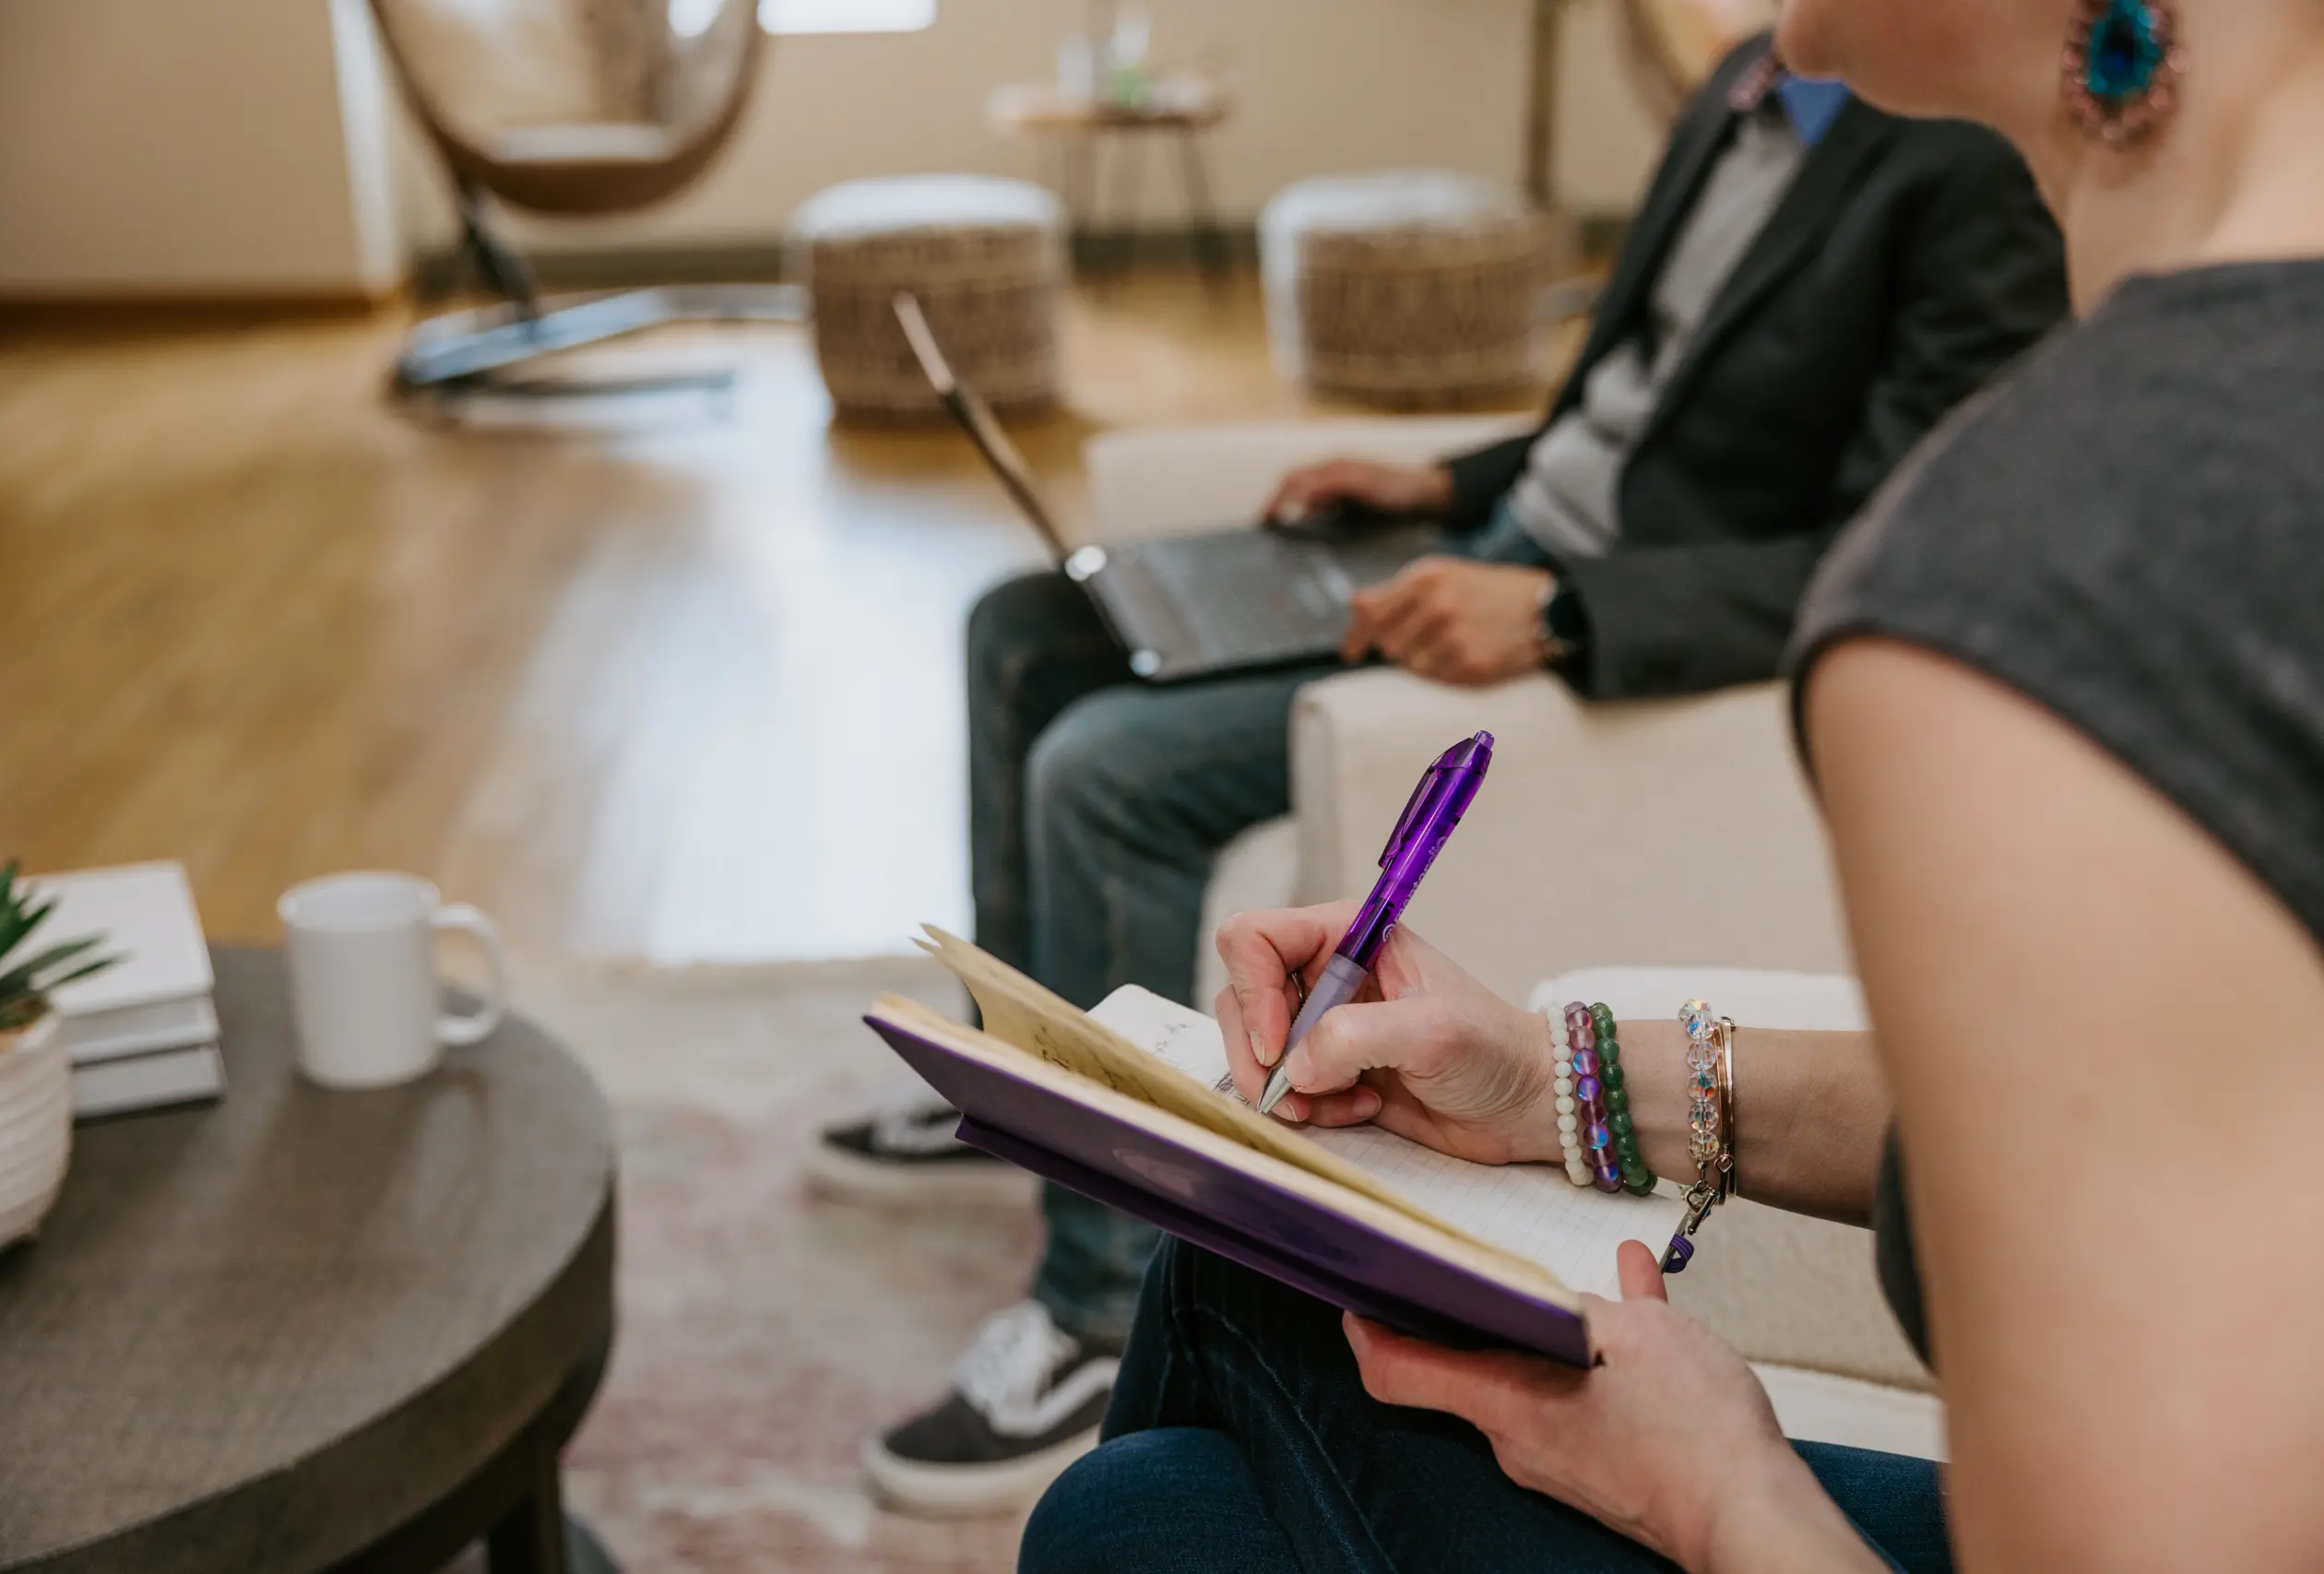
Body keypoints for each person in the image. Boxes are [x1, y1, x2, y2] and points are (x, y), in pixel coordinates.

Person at [1018, 0, 2324, 1566]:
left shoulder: (2042, 576)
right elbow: (2173, 1111)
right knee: (1152, 1504)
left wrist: (1716, 1487)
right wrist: (1554, 1079)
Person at [832, 30, 2069, 1516]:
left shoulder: (1966, 166)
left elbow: (1890, 540)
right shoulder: (1757, 77)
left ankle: (1098, 1304)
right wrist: (1445, 484)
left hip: (1584, 624)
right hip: (1502, 542)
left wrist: (1557, 608)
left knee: (1107, 766)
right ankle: (1027, 1049)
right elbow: (1622, 407)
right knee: (1024, 627)